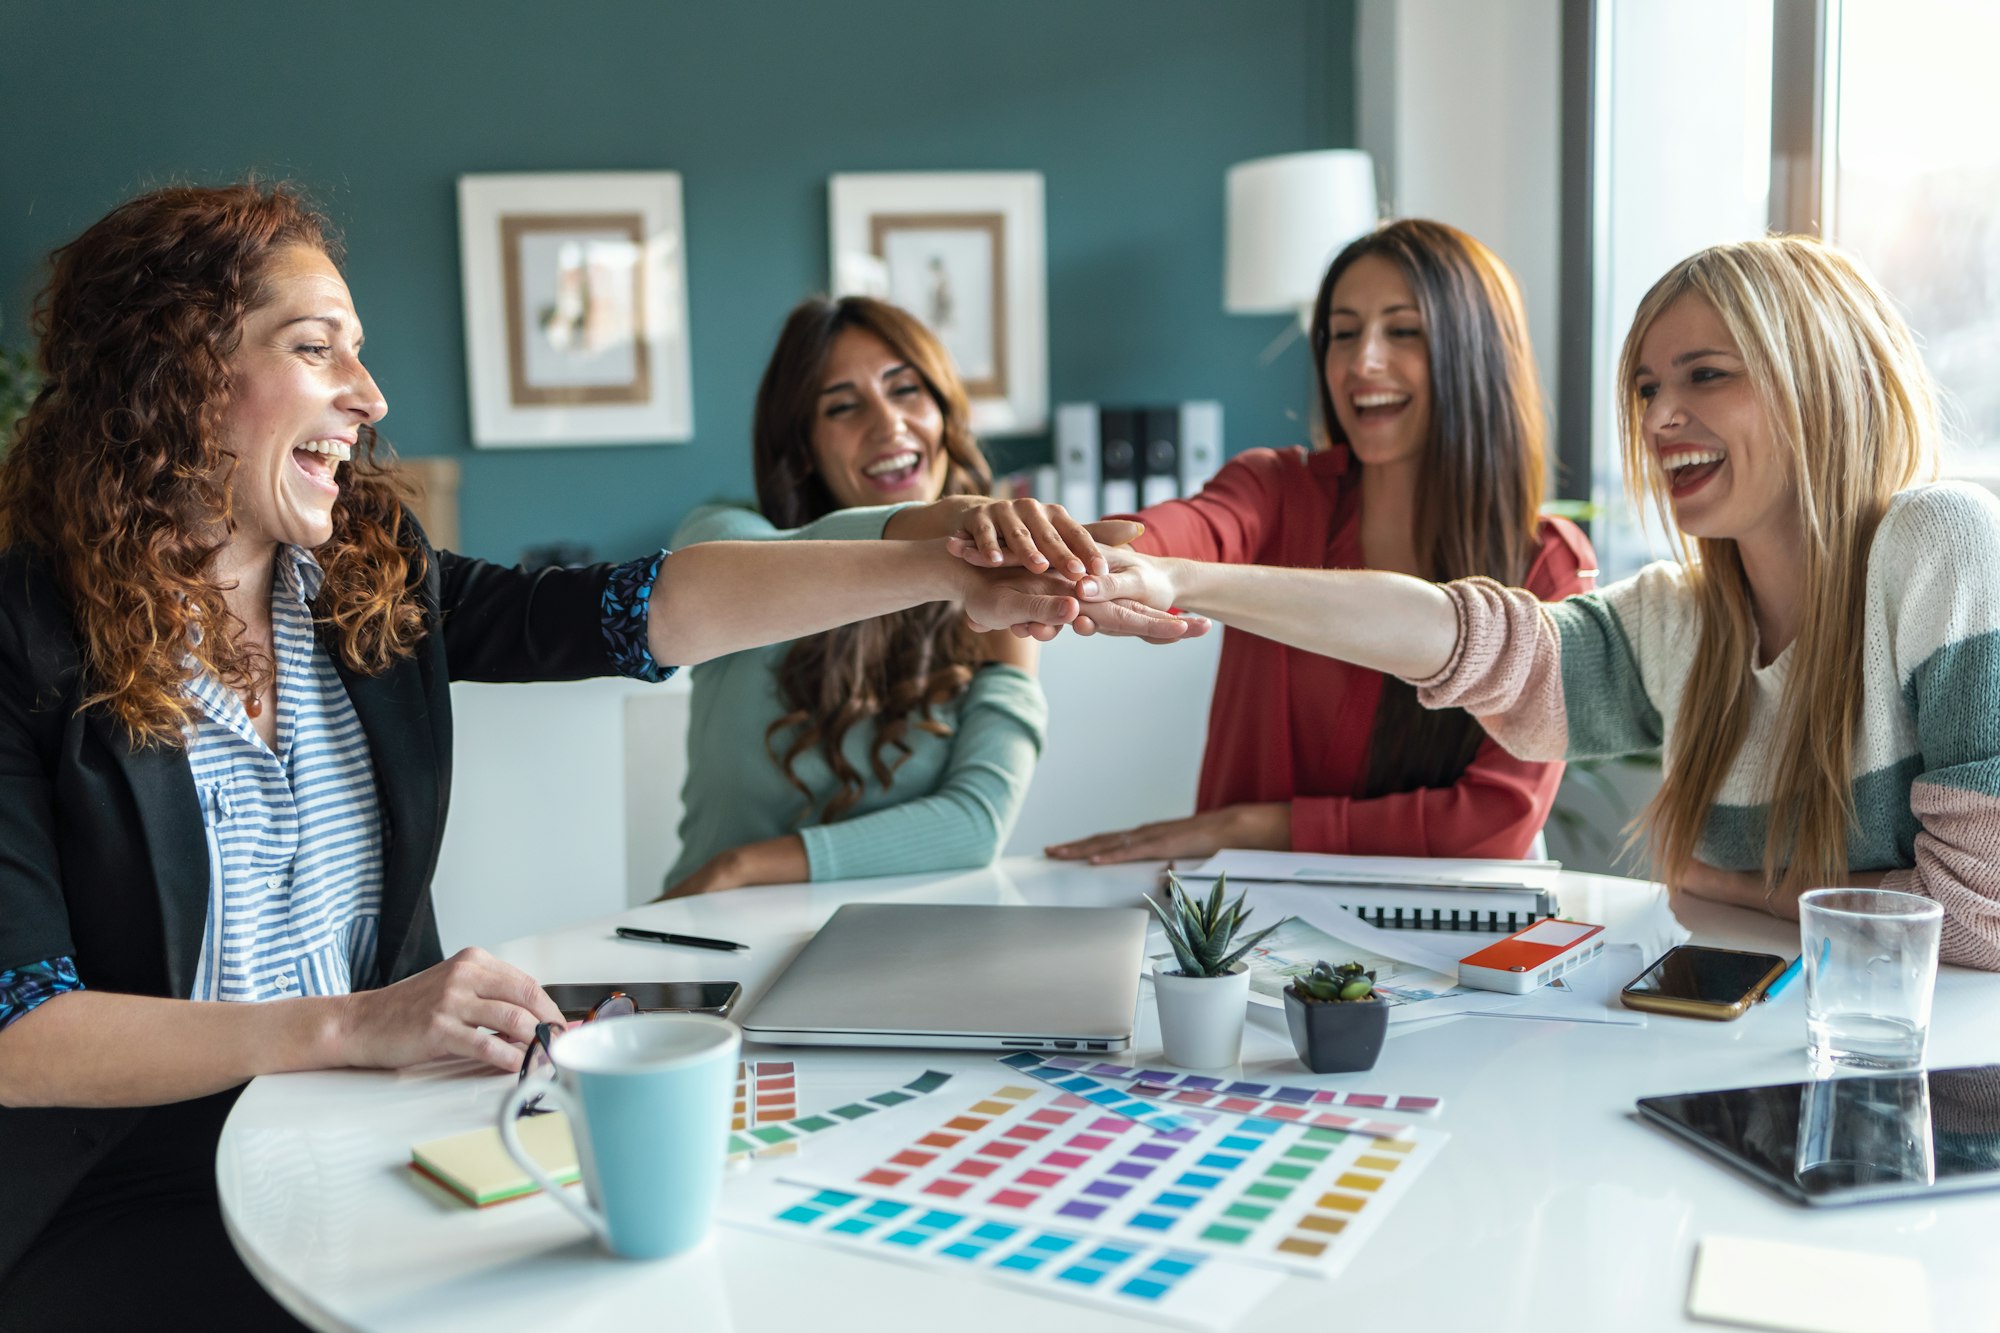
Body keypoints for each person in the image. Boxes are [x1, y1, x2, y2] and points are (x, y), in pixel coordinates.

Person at [0, 184, 1193, 1324]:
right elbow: (23, 1035)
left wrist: (940, 565)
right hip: (136, 1184)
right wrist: (354, 1024)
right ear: (175, 374)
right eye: (316, 348)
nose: (367, 394)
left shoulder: (367, 573)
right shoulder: (22, 635)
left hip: (366, 1130)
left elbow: (635, 608)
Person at [1065, 235, 2000, 969]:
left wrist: (1754, 888)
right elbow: (1463, 637)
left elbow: (1975, 922)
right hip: (1760, 1035)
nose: (1660, 416)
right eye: (1646, 387)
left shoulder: (1939, 544)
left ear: (1823, 380)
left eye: (1705, 374)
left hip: (1941, 1066)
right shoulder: (1683, 622)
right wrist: (1175, 577)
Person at [964, 219, 1596, 863]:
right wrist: (1069, 549)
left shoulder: (1549, 565)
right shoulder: (1276, 489)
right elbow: (1186, 530)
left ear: (1479, 352)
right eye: (1343, 333)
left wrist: (1242, 828)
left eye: (1402, 330)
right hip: (1246, 922)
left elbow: (1496, 821)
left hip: (1436, 930)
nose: (1362, 361)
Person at [661, 296, 1088, 895]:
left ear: (943, 412)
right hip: (705, 937)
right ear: (803, 447)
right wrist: (943, 521)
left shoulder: (992, 599)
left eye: (906, 390)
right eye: (843, 406)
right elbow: (784, 555)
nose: (888, 423)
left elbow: (975, 823)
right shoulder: (722, 541)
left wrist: (746, 866)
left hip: (898, 946)